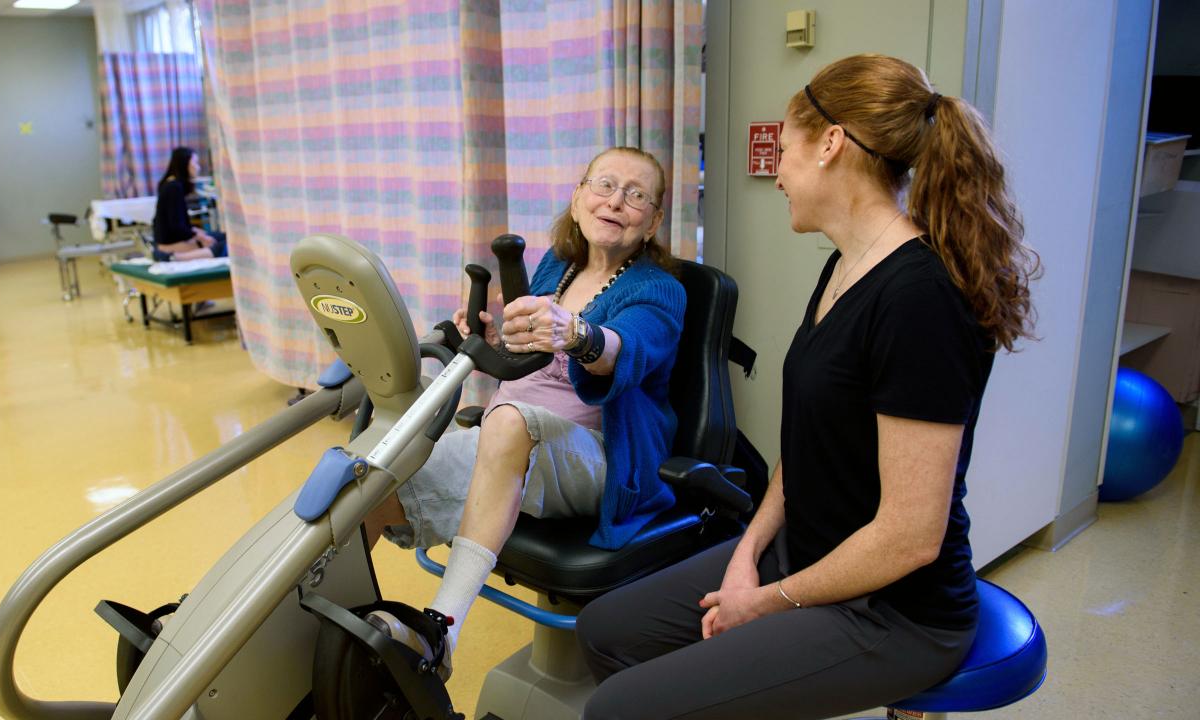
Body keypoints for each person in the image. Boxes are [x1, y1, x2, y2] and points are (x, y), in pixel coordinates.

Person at [576, 54, 1041, 719]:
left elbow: (911, 536)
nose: (776, 172)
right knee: (607, 633)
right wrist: (749, 553)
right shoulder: (845, 265)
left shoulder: (919, 300)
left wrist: (765, 601)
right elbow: (807, 447)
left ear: (830, 144)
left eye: (784, 151)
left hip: (892, 612)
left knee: (617, 710)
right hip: (804, 552)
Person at [361, 147, 687, 676]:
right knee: (374, 481)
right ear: (578, 198)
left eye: (636, 195)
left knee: (509, 420)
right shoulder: (556, 266)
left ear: (652, 222)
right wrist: (493, 337)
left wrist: (577, 333)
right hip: (509, 442)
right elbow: (527, 358)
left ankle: (441, 631)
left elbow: (627, 351)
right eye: (604, 185)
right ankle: (309, 624)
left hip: (601, 461)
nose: (616, 201)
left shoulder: (659, 290)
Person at [151, 147, 226, 261]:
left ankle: (170, 254)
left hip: (168, 239)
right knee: (224, 245)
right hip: (171, 242)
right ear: (184, 164)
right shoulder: (174, 188)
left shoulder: (170, 184)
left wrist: (198, 232)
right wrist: (199, 237)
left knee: (221, 236)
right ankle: (175, 257)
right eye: (195, 163)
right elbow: (177, 227)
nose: (198, 167)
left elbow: (178, 224)